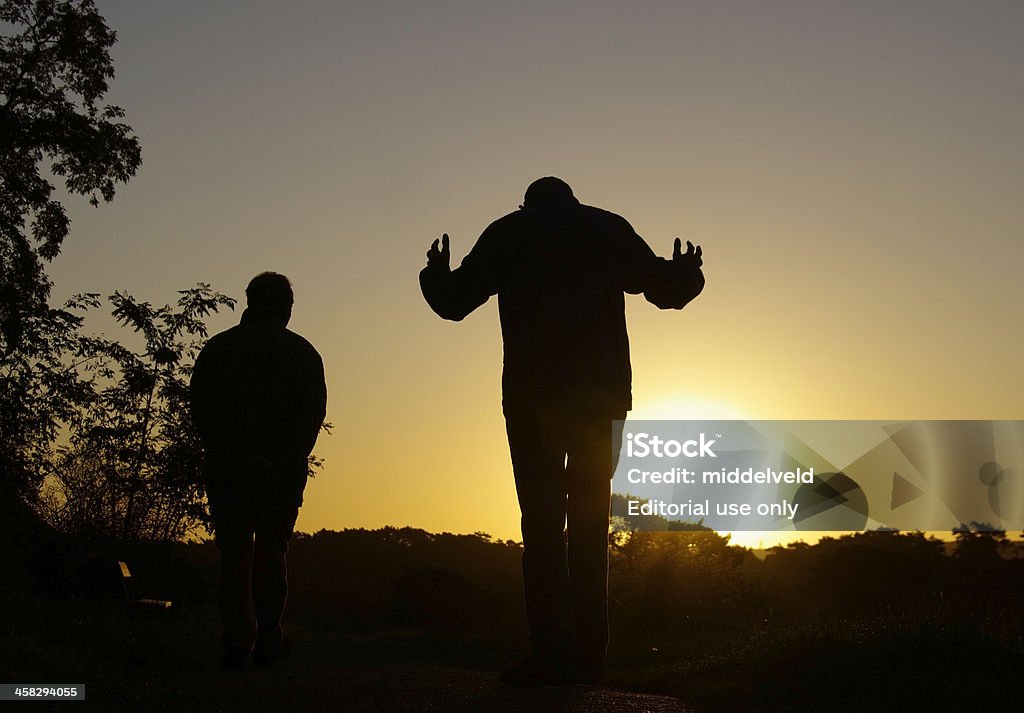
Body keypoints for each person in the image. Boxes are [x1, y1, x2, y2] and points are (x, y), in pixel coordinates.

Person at [419, 177, 705, 686]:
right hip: (600, 397)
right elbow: (664, 289)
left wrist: (434, 273)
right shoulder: (605, 226)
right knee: (591, 524)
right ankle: (590, 657)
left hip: (534, 400)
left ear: (527, 202)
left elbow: (455, 302)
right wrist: (687, 272)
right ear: (571, 198)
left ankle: (551, 650)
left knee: (543, 525)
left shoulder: (510, 232)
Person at [190, 272, 327, 670]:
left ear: (249, 302)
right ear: (287, 307)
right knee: (272, 551)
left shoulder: (218, 349)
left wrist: (233, 453)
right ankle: (268, 638)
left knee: (234, 553)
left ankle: (237, 640)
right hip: (281, 471)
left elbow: (203, 409)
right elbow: (311, 415)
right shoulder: (302, 353)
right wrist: (283, 459)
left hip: (227, 466)